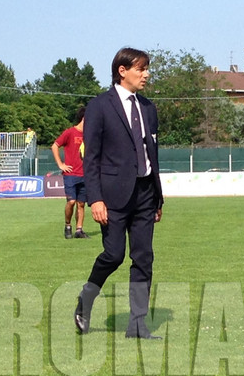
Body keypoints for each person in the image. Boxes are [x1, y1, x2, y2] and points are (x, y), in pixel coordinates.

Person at [74, 48, 164, 339]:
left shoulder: (148, 108)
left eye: (147, 68)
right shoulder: (99, 106)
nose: (146, 74)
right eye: (141, 69)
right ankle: (86, 299)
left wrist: (157, 198)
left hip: (145, 193)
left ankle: (137, 325)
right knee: (113, 255)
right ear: (122, 70)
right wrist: (95, 198)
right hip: (112, 197)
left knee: (144, 258)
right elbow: (92, 160)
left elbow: (153, 154)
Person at [51, 106, 89, 239]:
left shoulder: (90, 135)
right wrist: (61, 164)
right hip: (71, 174)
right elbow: (55, 146)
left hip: (85, 174)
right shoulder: (70, 132)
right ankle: (68, 225)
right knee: (71, 201)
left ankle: (79, 230)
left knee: (81, 204)